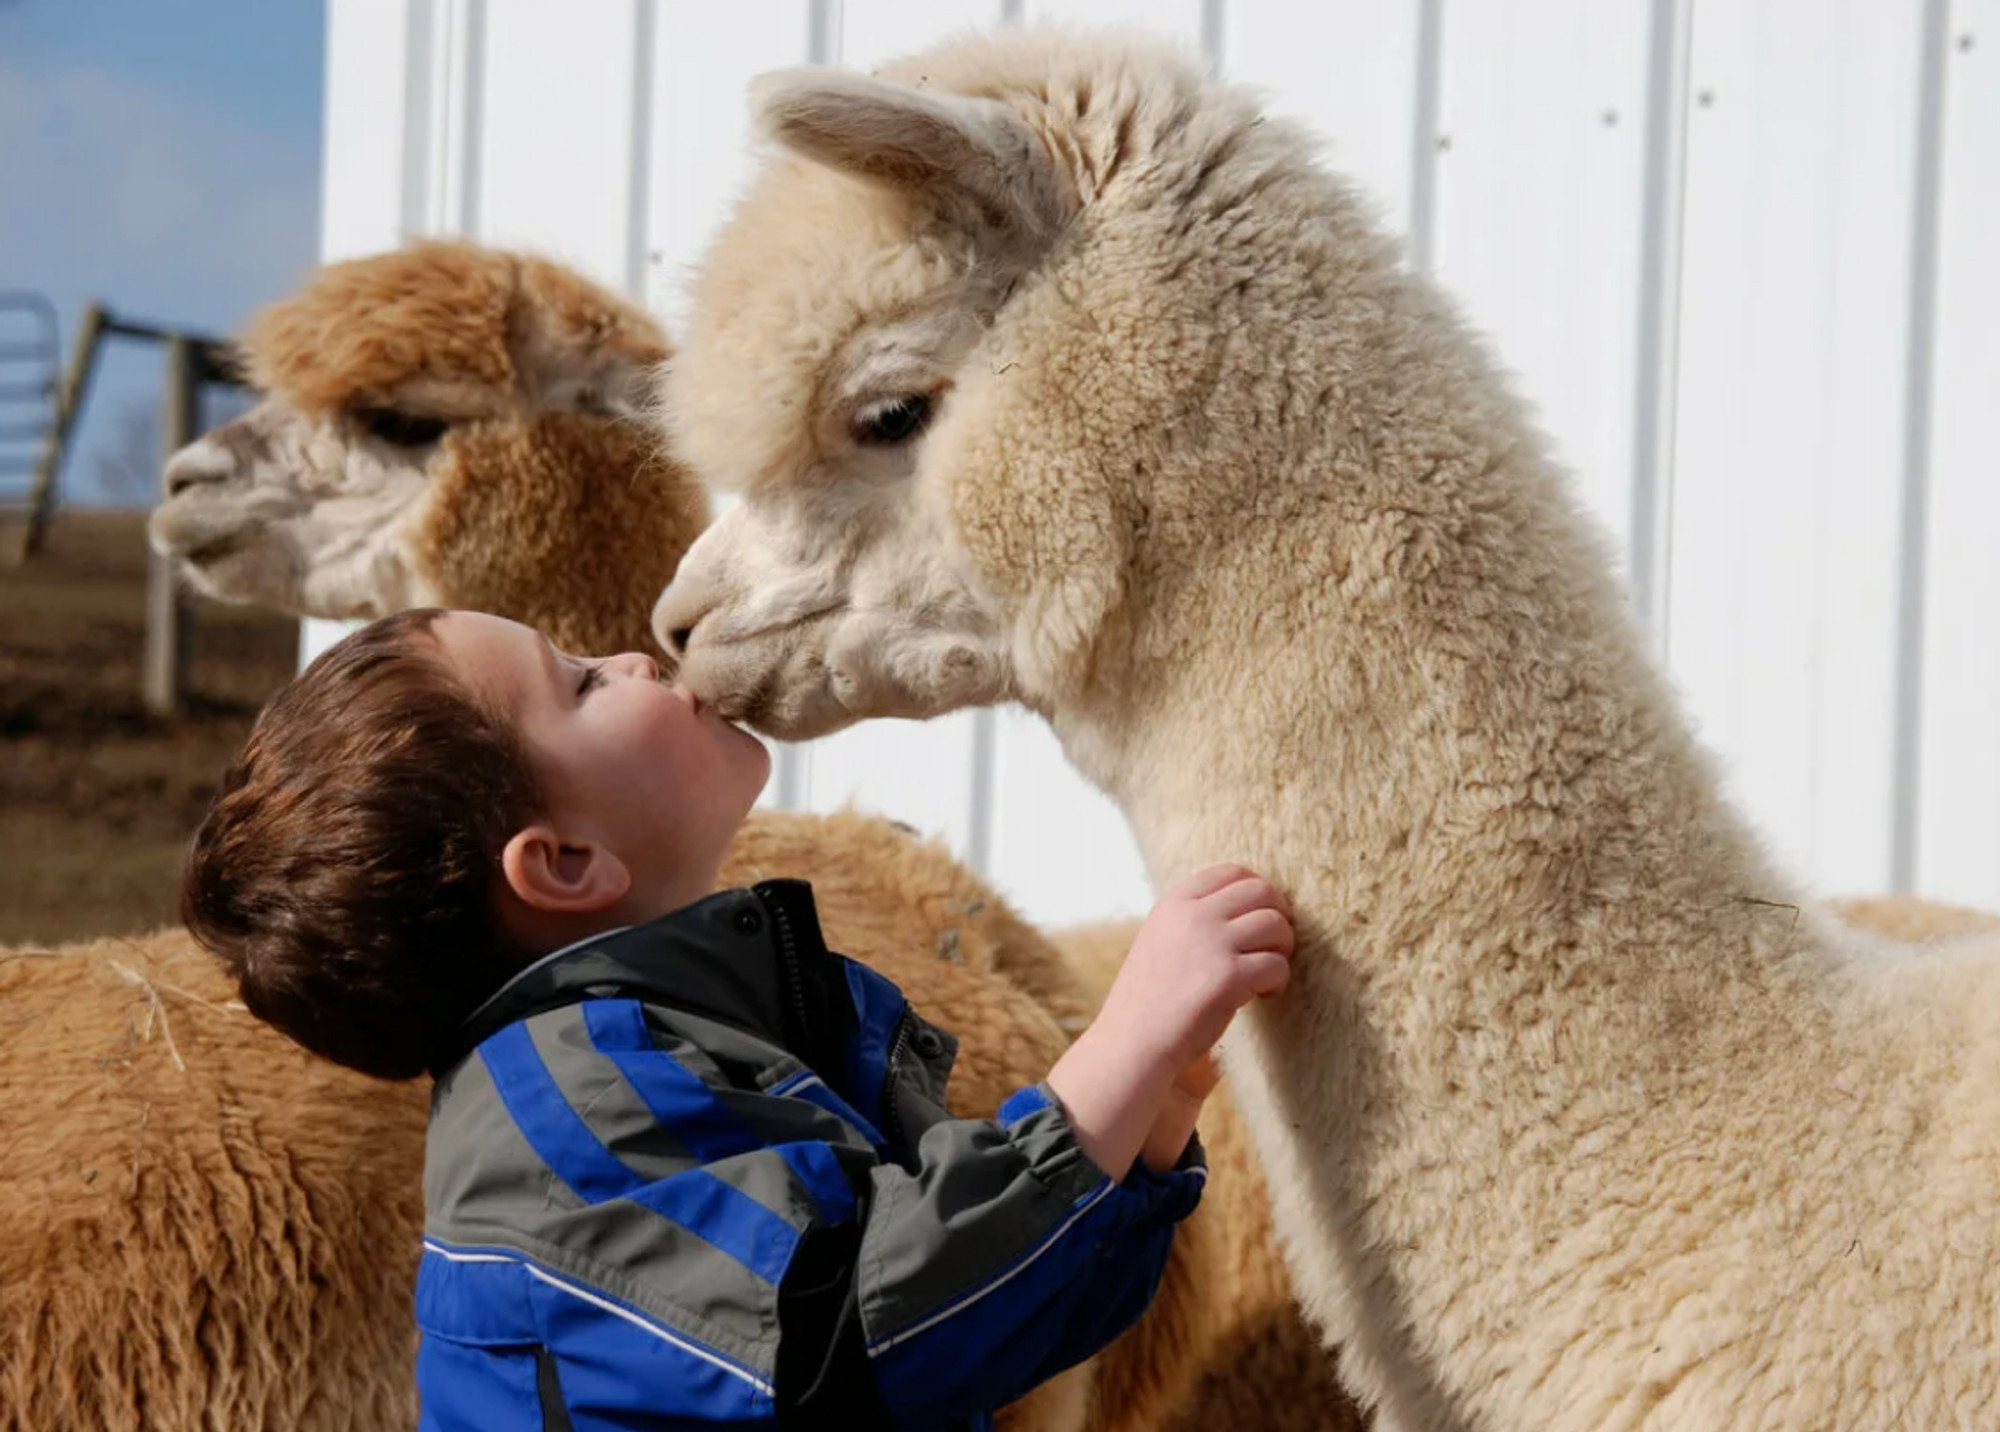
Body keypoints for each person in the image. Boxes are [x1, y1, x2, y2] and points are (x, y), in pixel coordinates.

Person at [181, 607, 1295, 1432]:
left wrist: (1147, 1121)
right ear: (566, 863)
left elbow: (1000, 1320)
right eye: (575, 684)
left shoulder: (698, 1047)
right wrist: (1123, 1038)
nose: (626, 655)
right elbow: (873, 1329)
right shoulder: (571, 1120)